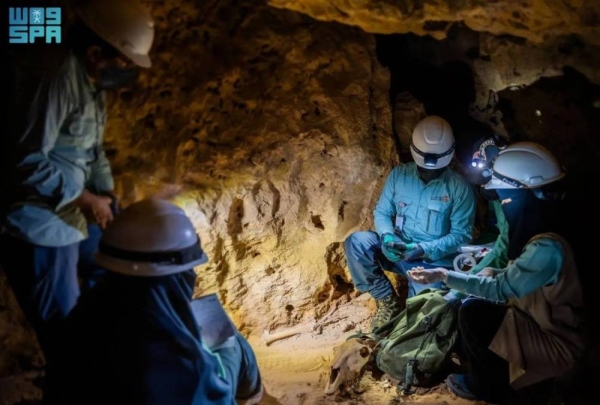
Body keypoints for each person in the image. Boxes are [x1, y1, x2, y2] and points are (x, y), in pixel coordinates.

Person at [0, 0, 154, 401]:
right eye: (124, 61)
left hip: (75, 215)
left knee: (116, 272)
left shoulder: (91, 81)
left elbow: (92, 150)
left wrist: (106, 195)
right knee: (66, 337)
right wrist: (85, 199)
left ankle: (104, 374)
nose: (127, 72)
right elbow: (24, 160)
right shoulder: (52, 72)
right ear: (95, 52)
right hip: (40, 225)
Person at [408, 142, 586, 404]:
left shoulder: (547, 247)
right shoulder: (549, 229)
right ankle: (509, 377)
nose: (503, 206)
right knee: (472, 307)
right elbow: (521, 275)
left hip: (560, 345)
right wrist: (495, 270)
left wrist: (444, 276)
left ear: (527, 195)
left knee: (473, 314)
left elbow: (501, 288)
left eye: (505, 198)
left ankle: (493, 389)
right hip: (539, 323)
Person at [63, 198, 264, 405]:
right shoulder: (185, 366)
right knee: (229, 340)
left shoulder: (82, 314)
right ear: (176, 275)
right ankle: (253, 396)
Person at [344, 115, 477, 331]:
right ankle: (387, 300)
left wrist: (422, 249)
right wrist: (387, 236)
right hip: (396, 251)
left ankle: (412, 317)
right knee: (357, 242)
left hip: (432, 263)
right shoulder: (399, 176)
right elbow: (383, 211)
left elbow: (460, 236)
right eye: (424, 166)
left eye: (434, 168)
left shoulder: (459, 188)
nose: (429, 171)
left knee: (419, 320)